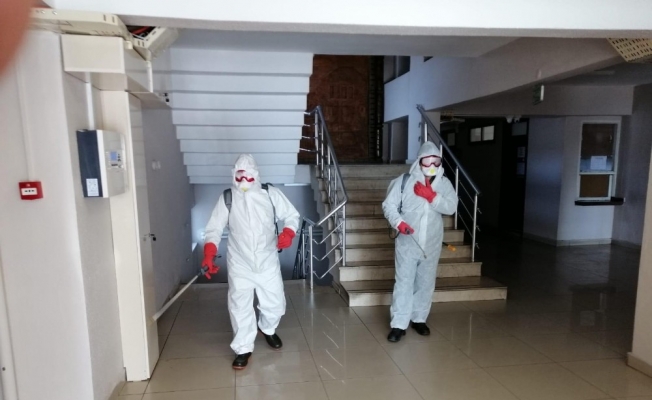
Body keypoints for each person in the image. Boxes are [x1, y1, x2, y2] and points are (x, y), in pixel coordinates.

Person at [202, 154, 300, 369]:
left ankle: (267, 328)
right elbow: (214, 228)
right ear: (234, 176)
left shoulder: (270, 193)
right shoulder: (227, 198)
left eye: (247, 177)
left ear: (255, 175)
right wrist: (209, 254)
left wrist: (288, 233)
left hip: (267, 260)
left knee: (275, 304)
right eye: (239, 177)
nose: (243, 182)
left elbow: (292, 215)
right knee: (239, 306)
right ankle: (243, 348)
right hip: (240, 263)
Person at [382, 141, 458, 342]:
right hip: (408, 242)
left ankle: (419, 319)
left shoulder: (444, 184)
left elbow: (451, 207)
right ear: (419, 161)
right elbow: (388, 205)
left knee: (426, 282)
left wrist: (433, 197)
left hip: (431, 243)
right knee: (404, 282)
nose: (432, 165)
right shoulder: (404, 181)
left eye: (436, 161)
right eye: (427, 161)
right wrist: (399, 223)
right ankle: (399, 324)